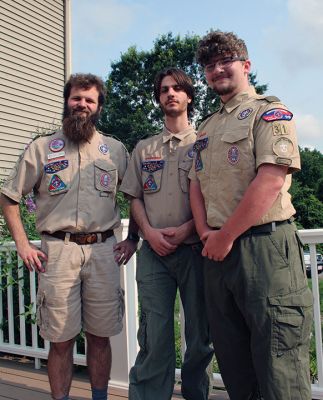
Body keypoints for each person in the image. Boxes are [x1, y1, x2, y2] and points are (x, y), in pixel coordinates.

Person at [189, 30, 313, 400]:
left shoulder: (269, 112)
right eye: (209, 66)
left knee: (280, 364)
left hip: (265, 249)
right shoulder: (207, 127)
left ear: (245, 65)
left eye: (225, 61)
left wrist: (224, 236)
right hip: (217, 255)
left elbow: (271, 179)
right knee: (234, 363)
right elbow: (196, 185)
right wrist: (206, 233)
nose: (217, 70)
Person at [0, 73, 138, 400]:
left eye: (89, 100)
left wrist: (132, 237)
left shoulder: (114, 150)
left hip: (104, 251)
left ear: (99, 106)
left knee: (101, 337)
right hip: (57, 253)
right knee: (60, 340)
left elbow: (136, 197)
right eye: (77, 98)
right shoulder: (42, 148)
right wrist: (22, 243)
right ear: (67, 101)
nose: (82, 105)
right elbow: (9, 197)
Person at [120, 67, 213, 400]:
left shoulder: (206, 141)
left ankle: (196, 395)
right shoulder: (144, 148)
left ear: (189, 96)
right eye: (163, 90)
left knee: (200, 334)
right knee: (154, 333)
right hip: (154, 255)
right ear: (158, 98)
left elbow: (213, 196)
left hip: (196, 252)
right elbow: (134, 197)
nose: (170, 94)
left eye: (177, 89)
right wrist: (147, 234)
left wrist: (189, 228)